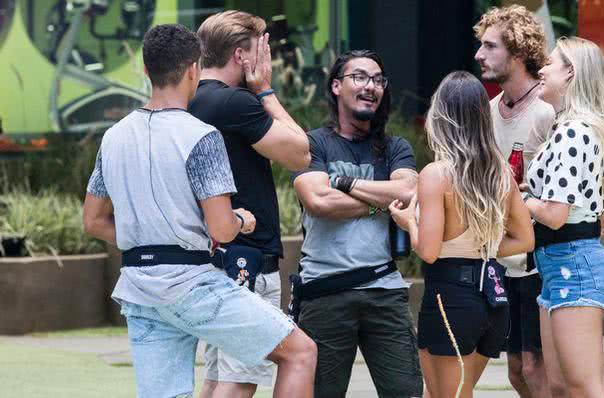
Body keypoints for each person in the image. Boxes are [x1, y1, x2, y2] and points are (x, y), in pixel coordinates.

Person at [82, 24, 316, 398]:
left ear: (146, 71)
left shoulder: (113, 137)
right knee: (301, 353)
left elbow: (93, 220)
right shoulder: (201, 136)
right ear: (193, 69)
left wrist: (146, 234)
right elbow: (223, 229)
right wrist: (242, 219)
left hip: (139, 286)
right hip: (192, 284)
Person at [389, 71, 534, 398]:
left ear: (441, 116)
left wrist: (407, 222)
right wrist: (481, 247)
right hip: (492, 298)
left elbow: (428, 251)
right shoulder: (500, 172)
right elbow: (525, 239)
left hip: (449, 297)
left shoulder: (437, 174)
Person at [188, 11, 311, 397]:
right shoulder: (236, 103)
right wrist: (265, 91)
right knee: (241, 378)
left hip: (207, 257)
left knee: (216, 374)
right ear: (243, 55)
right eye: (265, 50)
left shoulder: (189, 100)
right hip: (247, 257)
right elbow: (301, 154)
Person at [291, 49, 423, 398]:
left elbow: (409, 192)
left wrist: (345, 183)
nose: (371, 87)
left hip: (384, 291)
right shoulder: (312, 143)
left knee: (407, 392)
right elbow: (319, 201)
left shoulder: (394, 147)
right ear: (336, 86)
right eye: (360, 77)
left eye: (378, 80)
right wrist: (379, 203)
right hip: (325, 293)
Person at [525, 36, 604, 398]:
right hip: (562, 264)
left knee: (582, 388)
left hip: (571, 264)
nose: (542, 70)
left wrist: (518, 200)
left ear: (571, 73)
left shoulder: (572, 132)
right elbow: (602, 214)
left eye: (550, 63)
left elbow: (553, 213)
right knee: (561, 386)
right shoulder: (573, 129)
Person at [473, 5, 556, 397]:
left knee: (536, 368)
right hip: (504, 258)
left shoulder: (548, 112)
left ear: (518, 53)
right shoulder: (489, 113)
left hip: (544, 258)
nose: (479, 55)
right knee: (517, 373)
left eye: (490, 46)